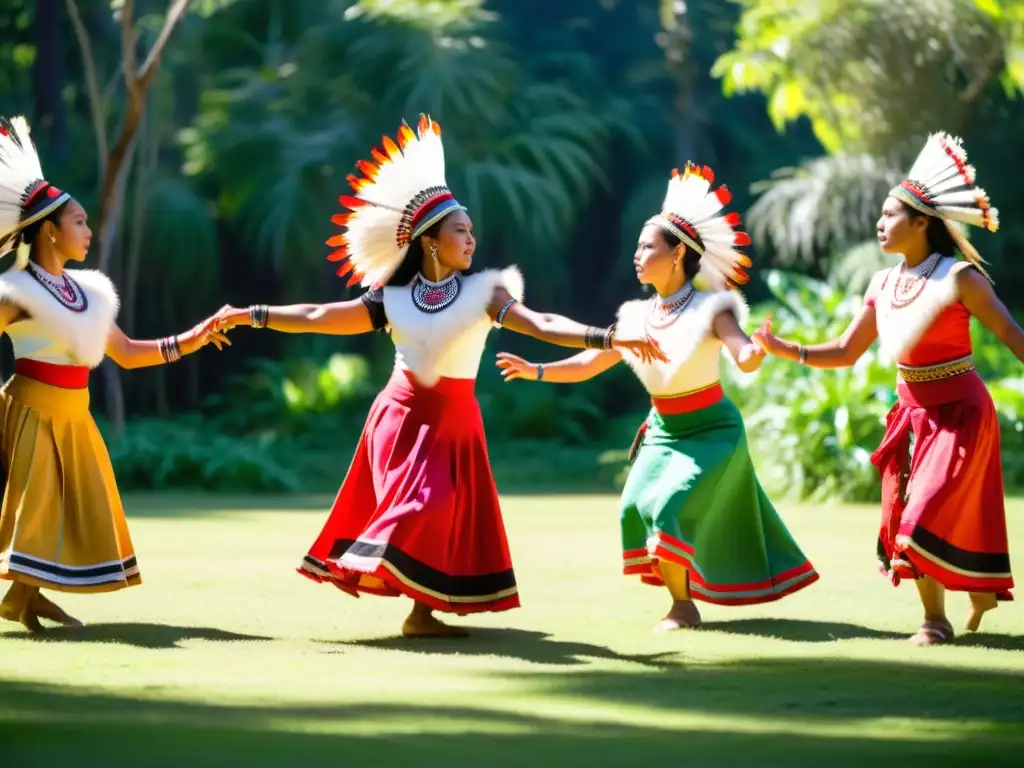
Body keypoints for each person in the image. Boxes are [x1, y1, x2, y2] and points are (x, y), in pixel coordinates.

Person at [208, 115, 665, 637]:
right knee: (429, 503)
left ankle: (420, 615)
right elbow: (317, 315)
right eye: (460, 231)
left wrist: (604, 337)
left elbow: (541, 323)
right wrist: (251, 313)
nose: (471, 239)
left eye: (472, 231)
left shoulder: (485, 292)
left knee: (445, 510)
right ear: (430, 239)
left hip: (456, 421)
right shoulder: (391, 298)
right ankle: (387, 575)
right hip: (401, 418)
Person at [496, 163, 818, 631]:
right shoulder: (634, 315)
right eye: (638, 245)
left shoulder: (714, 307)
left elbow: (742, 352)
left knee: (668, 508)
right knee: (633, 507)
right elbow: (591, 363)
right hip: (664, 430)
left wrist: (756, 353)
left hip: (712, 430)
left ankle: (682, 608)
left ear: (678, 253)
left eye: (648, 246)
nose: (637, 254)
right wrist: (537, 370)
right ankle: (680, 599)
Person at [752, 132, 1023, 645]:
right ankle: (942, 615)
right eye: (880, 215)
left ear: (922, 221)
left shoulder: (961, 278)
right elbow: (846, 350)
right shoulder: (881, 283)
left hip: (961, 411)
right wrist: (788, 349)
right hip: (911, 413)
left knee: (924, 512)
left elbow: (1011, 334)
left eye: (890, 215)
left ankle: (938, 619)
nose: (879, 223)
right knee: (905, 513)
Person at [0, 115, 228, 632]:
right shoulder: (15, 292)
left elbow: (126, 352)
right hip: (31, 412)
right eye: (78, 222)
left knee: (66, 507)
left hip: (75, 416)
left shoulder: (88, 292)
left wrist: (193, 338)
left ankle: (25, 598)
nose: (88, 230)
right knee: (38, 506)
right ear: (50, 232)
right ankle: (22, 596)